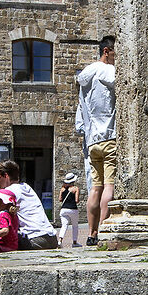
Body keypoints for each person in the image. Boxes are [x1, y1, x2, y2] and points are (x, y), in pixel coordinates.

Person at [76, 35, 118, 246]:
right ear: (106, 51)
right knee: (109, 186)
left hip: (92, 141)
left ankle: (91, 233)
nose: (116, 57)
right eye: (114, 52)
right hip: (110, 135)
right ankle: (103, 232)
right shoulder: (109, 71)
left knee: (95, 187)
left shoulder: (85, 76)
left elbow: (81, 111)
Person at [0, 161, 61, 250]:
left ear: (6, 176)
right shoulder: (26, 187)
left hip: (34, 239)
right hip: (51, 237)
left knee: (3, 243)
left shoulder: (7, 191)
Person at [57, 173, 83, 246]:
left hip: (63, 209)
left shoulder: (62, 189)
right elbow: (76, 200)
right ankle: (74, 242)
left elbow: (60, 199)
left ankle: (60, 241)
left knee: (64, 225)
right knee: (75, 226)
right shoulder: (75, 188)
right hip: (73, 209)